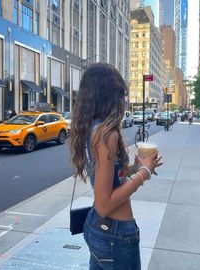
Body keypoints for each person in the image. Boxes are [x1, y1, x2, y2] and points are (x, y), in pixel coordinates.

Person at [69, 63, 163, 270]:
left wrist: (134, 169)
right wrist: (143, 174)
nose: (124, 101)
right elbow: (104, 204)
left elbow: (107, 178)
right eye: (121, 94)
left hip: (101, 230)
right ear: (109, 96)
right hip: (116, 235)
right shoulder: (106, 134)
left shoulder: (92, 129)